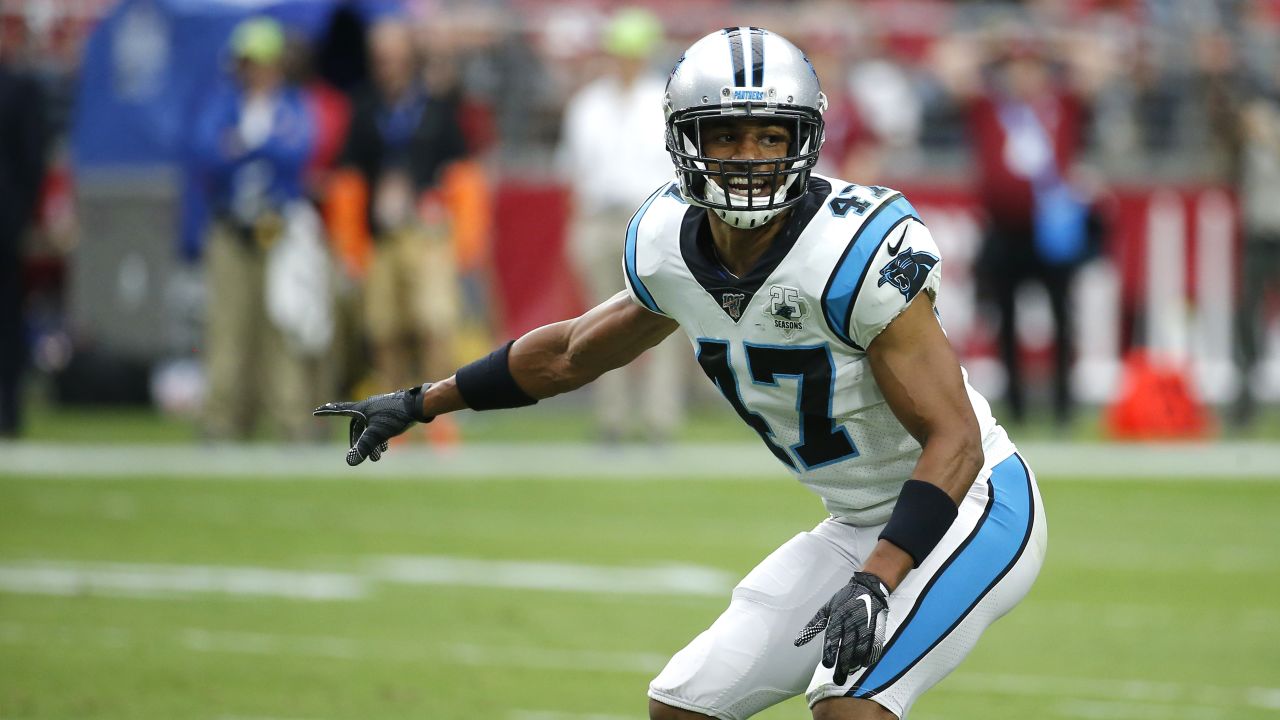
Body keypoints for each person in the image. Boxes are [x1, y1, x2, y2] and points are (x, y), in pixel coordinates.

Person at [316, 28, 1047, 720]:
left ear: (807, 140)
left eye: (770, 135)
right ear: (684, 140)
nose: (750, 155)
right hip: (857, 521)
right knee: (685, 704)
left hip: (972, 507)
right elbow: (572, 352)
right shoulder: (668, 242)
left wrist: (879, 577)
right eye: (725, 134)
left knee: (848, 700)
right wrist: (423, 400)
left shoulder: (855, 250)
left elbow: (954, 439)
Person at [556, 8, 688, 443]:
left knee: (661, 321)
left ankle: (659, 419)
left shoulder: (665, 102)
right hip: (598, 219)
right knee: (598, 325)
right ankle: (612, 419)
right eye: (619, 52)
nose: (624, 61)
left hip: (651, 222)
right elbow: (574, 170)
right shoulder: (588, 104)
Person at [190, 17, 320, 441]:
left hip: (276, 229)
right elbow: (207, 153)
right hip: (232, 228)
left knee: (283, 327)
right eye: (248, 62)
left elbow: (295, 154)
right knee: (227, 328)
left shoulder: (292, 105)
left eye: (261, 61)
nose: (255, 70)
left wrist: (244, 145)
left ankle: (292, 418)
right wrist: (259, 147)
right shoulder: (225, 104)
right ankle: (223, 420)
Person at [338, 18, 468, 406]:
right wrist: (350, 243)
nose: (387, 67)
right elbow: (350, 178)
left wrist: (457, 230)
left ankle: (438, 414)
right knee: (383, 330)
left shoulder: (434, 107)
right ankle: (394, 415)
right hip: (381, 236)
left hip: (426, 234)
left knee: (434, 323)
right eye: (381, 59)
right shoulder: (364, 107)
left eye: (394, 58)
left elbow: (461, 172)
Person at [964, 42, 1090, 426]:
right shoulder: (991, 108)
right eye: (1016, 69)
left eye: (1032, 68)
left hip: (1050, 229)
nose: (1023, 77)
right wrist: (996, 43)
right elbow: (953, 69)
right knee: (1005, 317)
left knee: (1063, 317)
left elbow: (1094, 65)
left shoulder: (1061, 106)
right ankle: (1017, 406)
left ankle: (1064, 405)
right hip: (1003, 229)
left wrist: (1050, 39)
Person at [0, 53, 49, 438]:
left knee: (6, 318)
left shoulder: (19, 87)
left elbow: (32, 159)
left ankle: (8, 408)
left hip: (4, 223)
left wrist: (18, 216)